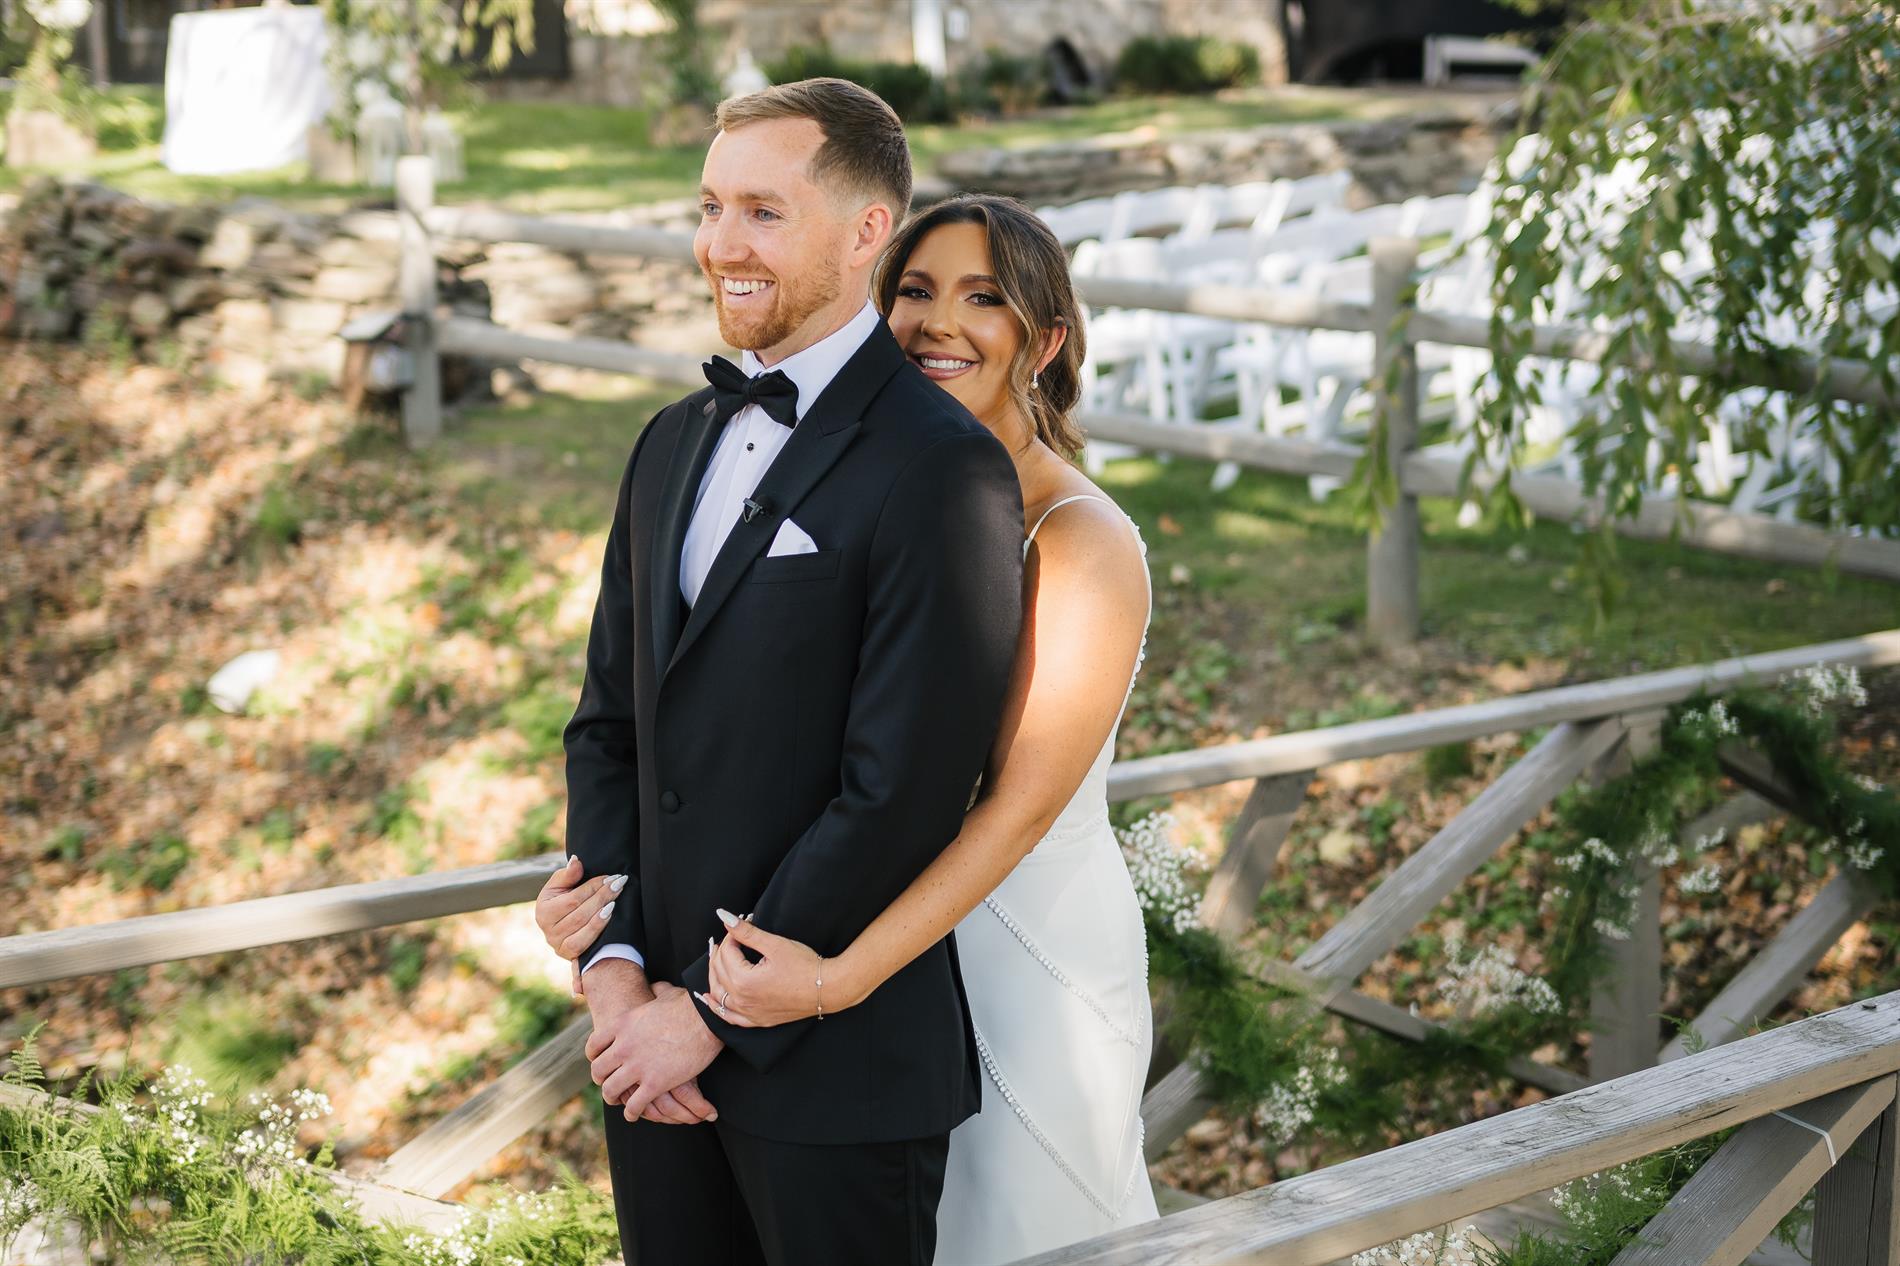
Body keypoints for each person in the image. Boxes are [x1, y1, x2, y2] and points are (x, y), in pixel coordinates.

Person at [545, 193, 1160, 1264]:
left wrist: (838, 981)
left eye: (984, 299)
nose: (937, 323)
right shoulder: (848, 474)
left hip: (1011, 949)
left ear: (1045, 341)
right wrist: (616, 931)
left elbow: (1009, 814)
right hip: (829, 936)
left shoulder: (1080, 538)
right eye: (915, 291)